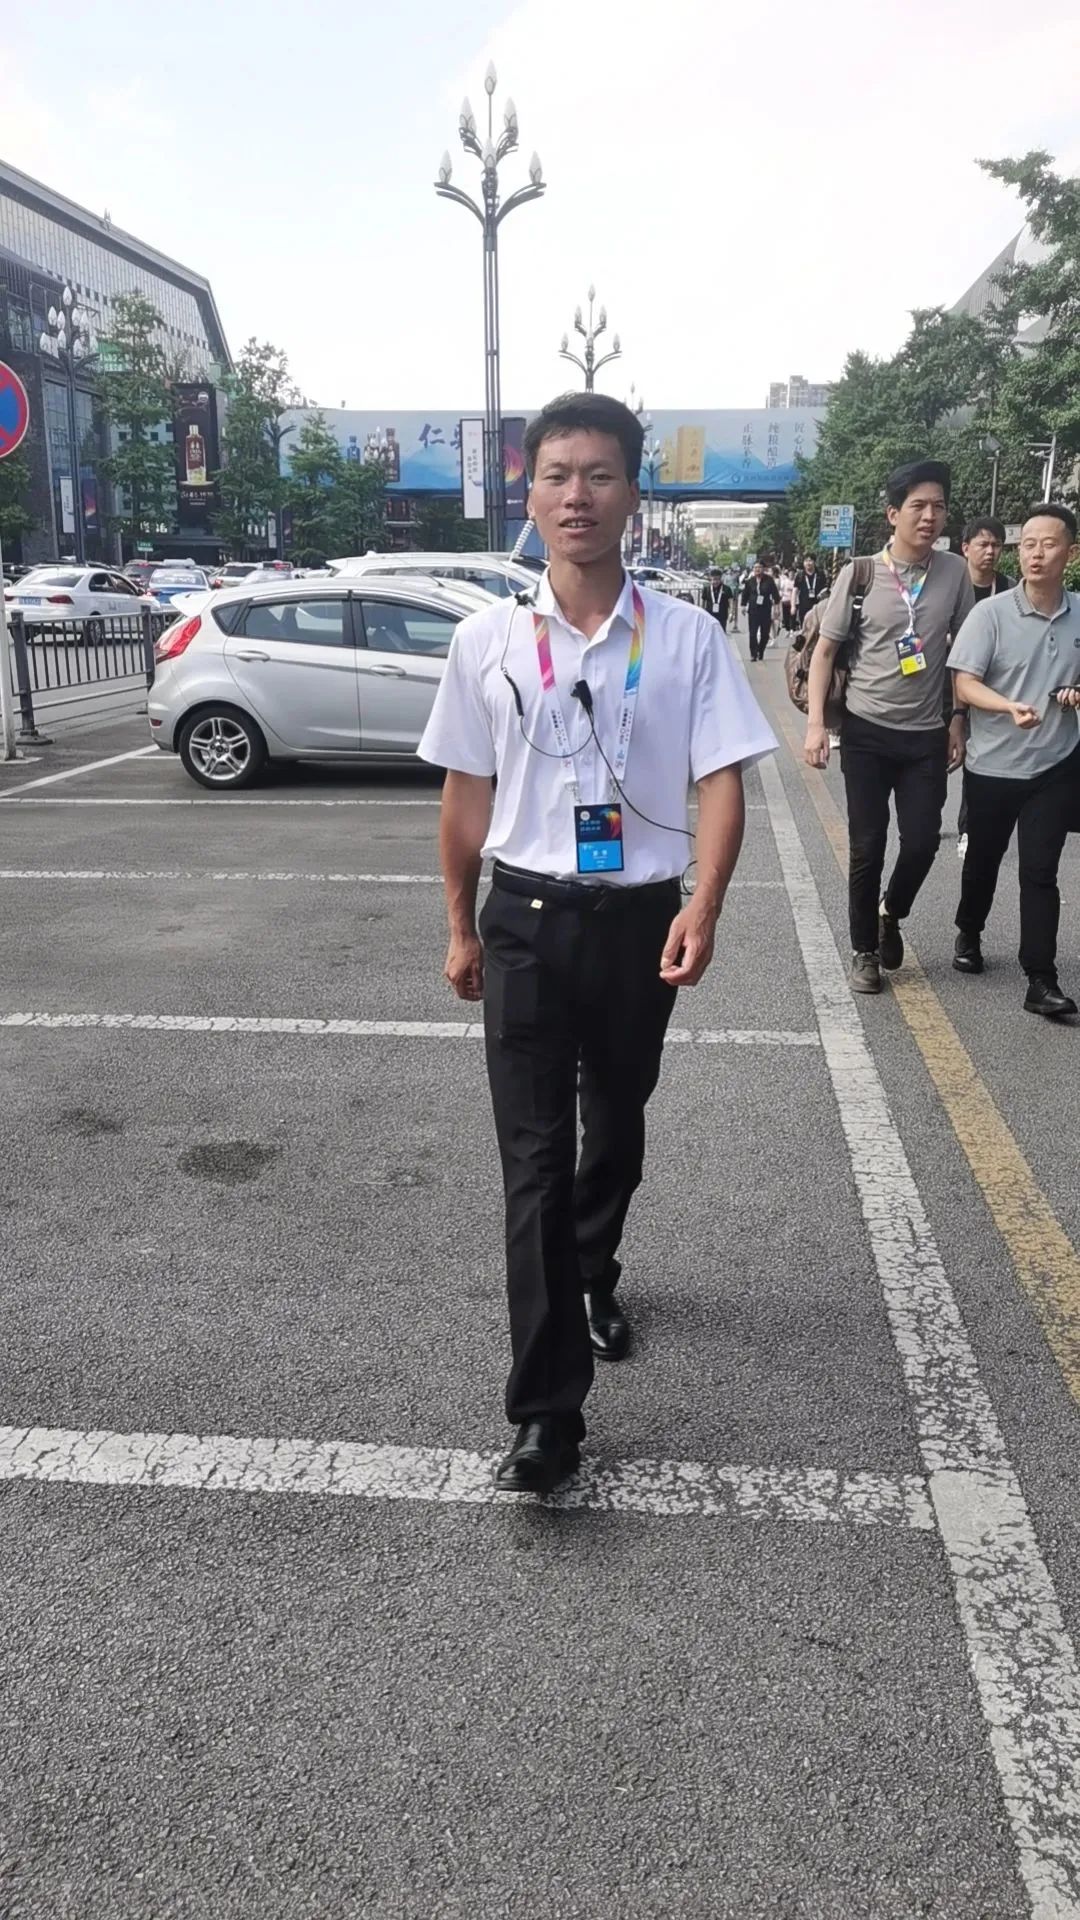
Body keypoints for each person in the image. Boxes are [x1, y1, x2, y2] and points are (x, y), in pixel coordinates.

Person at [418, 390, 776, 1495]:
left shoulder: (688, 637)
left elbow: (722, 782)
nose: (578, 495)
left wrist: (704, 905)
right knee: (531, 1162)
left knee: (616, 1120)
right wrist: (459, 925)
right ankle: (546, 1413)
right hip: (524, 921)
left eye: (600, 475)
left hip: (638, 921)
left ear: (632, 494)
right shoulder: (485, 640)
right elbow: (466, 795)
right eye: (557, 475)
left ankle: (594, 1269)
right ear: (530, 493)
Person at [803, 459, 975, 995]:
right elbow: (824, 652)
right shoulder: (860, 573)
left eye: (938, 506)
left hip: (925, 734)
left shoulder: (955, 573)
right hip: (866, 731)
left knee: (922, 841)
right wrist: (815, 725)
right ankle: (864, 951)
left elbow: (964, 657)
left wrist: (959, 718)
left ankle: (890, 912)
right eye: (918, 506)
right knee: (867, 845)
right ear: (893, 514)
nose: (929, 516)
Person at [949, 503, 1080, 1019]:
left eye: (1048, 544)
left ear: (1071, 552)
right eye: (1027, 544)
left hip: (1055, 765)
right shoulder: (991, 614)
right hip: (993, 765)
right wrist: (1006, 707)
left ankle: (1040, 979)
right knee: (983, 859)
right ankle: (969, 929)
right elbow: (964, 682)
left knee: (1040, 870)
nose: (1036, 554)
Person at [955, 516, 1013, 859]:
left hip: (986, 688)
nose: (990, 551)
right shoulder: (950, 585)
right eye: (983, 544)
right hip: (942, 686)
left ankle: (968, 829)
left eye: (996, 545)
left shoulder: (1009, 589)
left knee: (975, 758)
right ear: (966, 548)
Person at [741, 561, 780, 661]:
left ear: (763, 569)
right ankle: (753, 654)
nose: (757, 569)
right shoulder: (750, 581)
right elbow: (745, 594)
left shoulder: (769, 580)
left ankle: (760, 650)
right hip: (753, 610)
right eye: (755, 567)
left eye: (759, 567)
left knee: (765, 634)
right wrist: (743, 606)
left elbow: (775, 595)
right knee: (752, 633)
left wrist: (776, 608)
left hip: (765, 610)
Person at [794, 552, 829, 625]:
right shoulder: (800, 575)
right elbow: (795, 591)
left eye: (810, 560)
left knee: (817, 626)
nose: (808, 563)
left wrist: (822, 595)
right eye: (806, 561)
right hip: (804, 607)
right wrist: (793, 606)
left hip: (818, 607)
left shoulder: (820, 574)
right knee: (805, 627)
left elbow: (825, 589)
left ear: (814, 562)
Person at [702, 565, 732, 630]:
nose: (715, 582)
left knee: (721, 632)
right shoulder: (706, 589)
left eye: (718, 579)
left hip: (722, 615)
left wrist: (731, 613)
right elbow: (703, 603)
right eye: (714, 579)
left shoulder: (727, 589)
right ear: (711, 579)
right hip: (709, 616)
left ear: (720, 579)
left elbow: (730, 602)